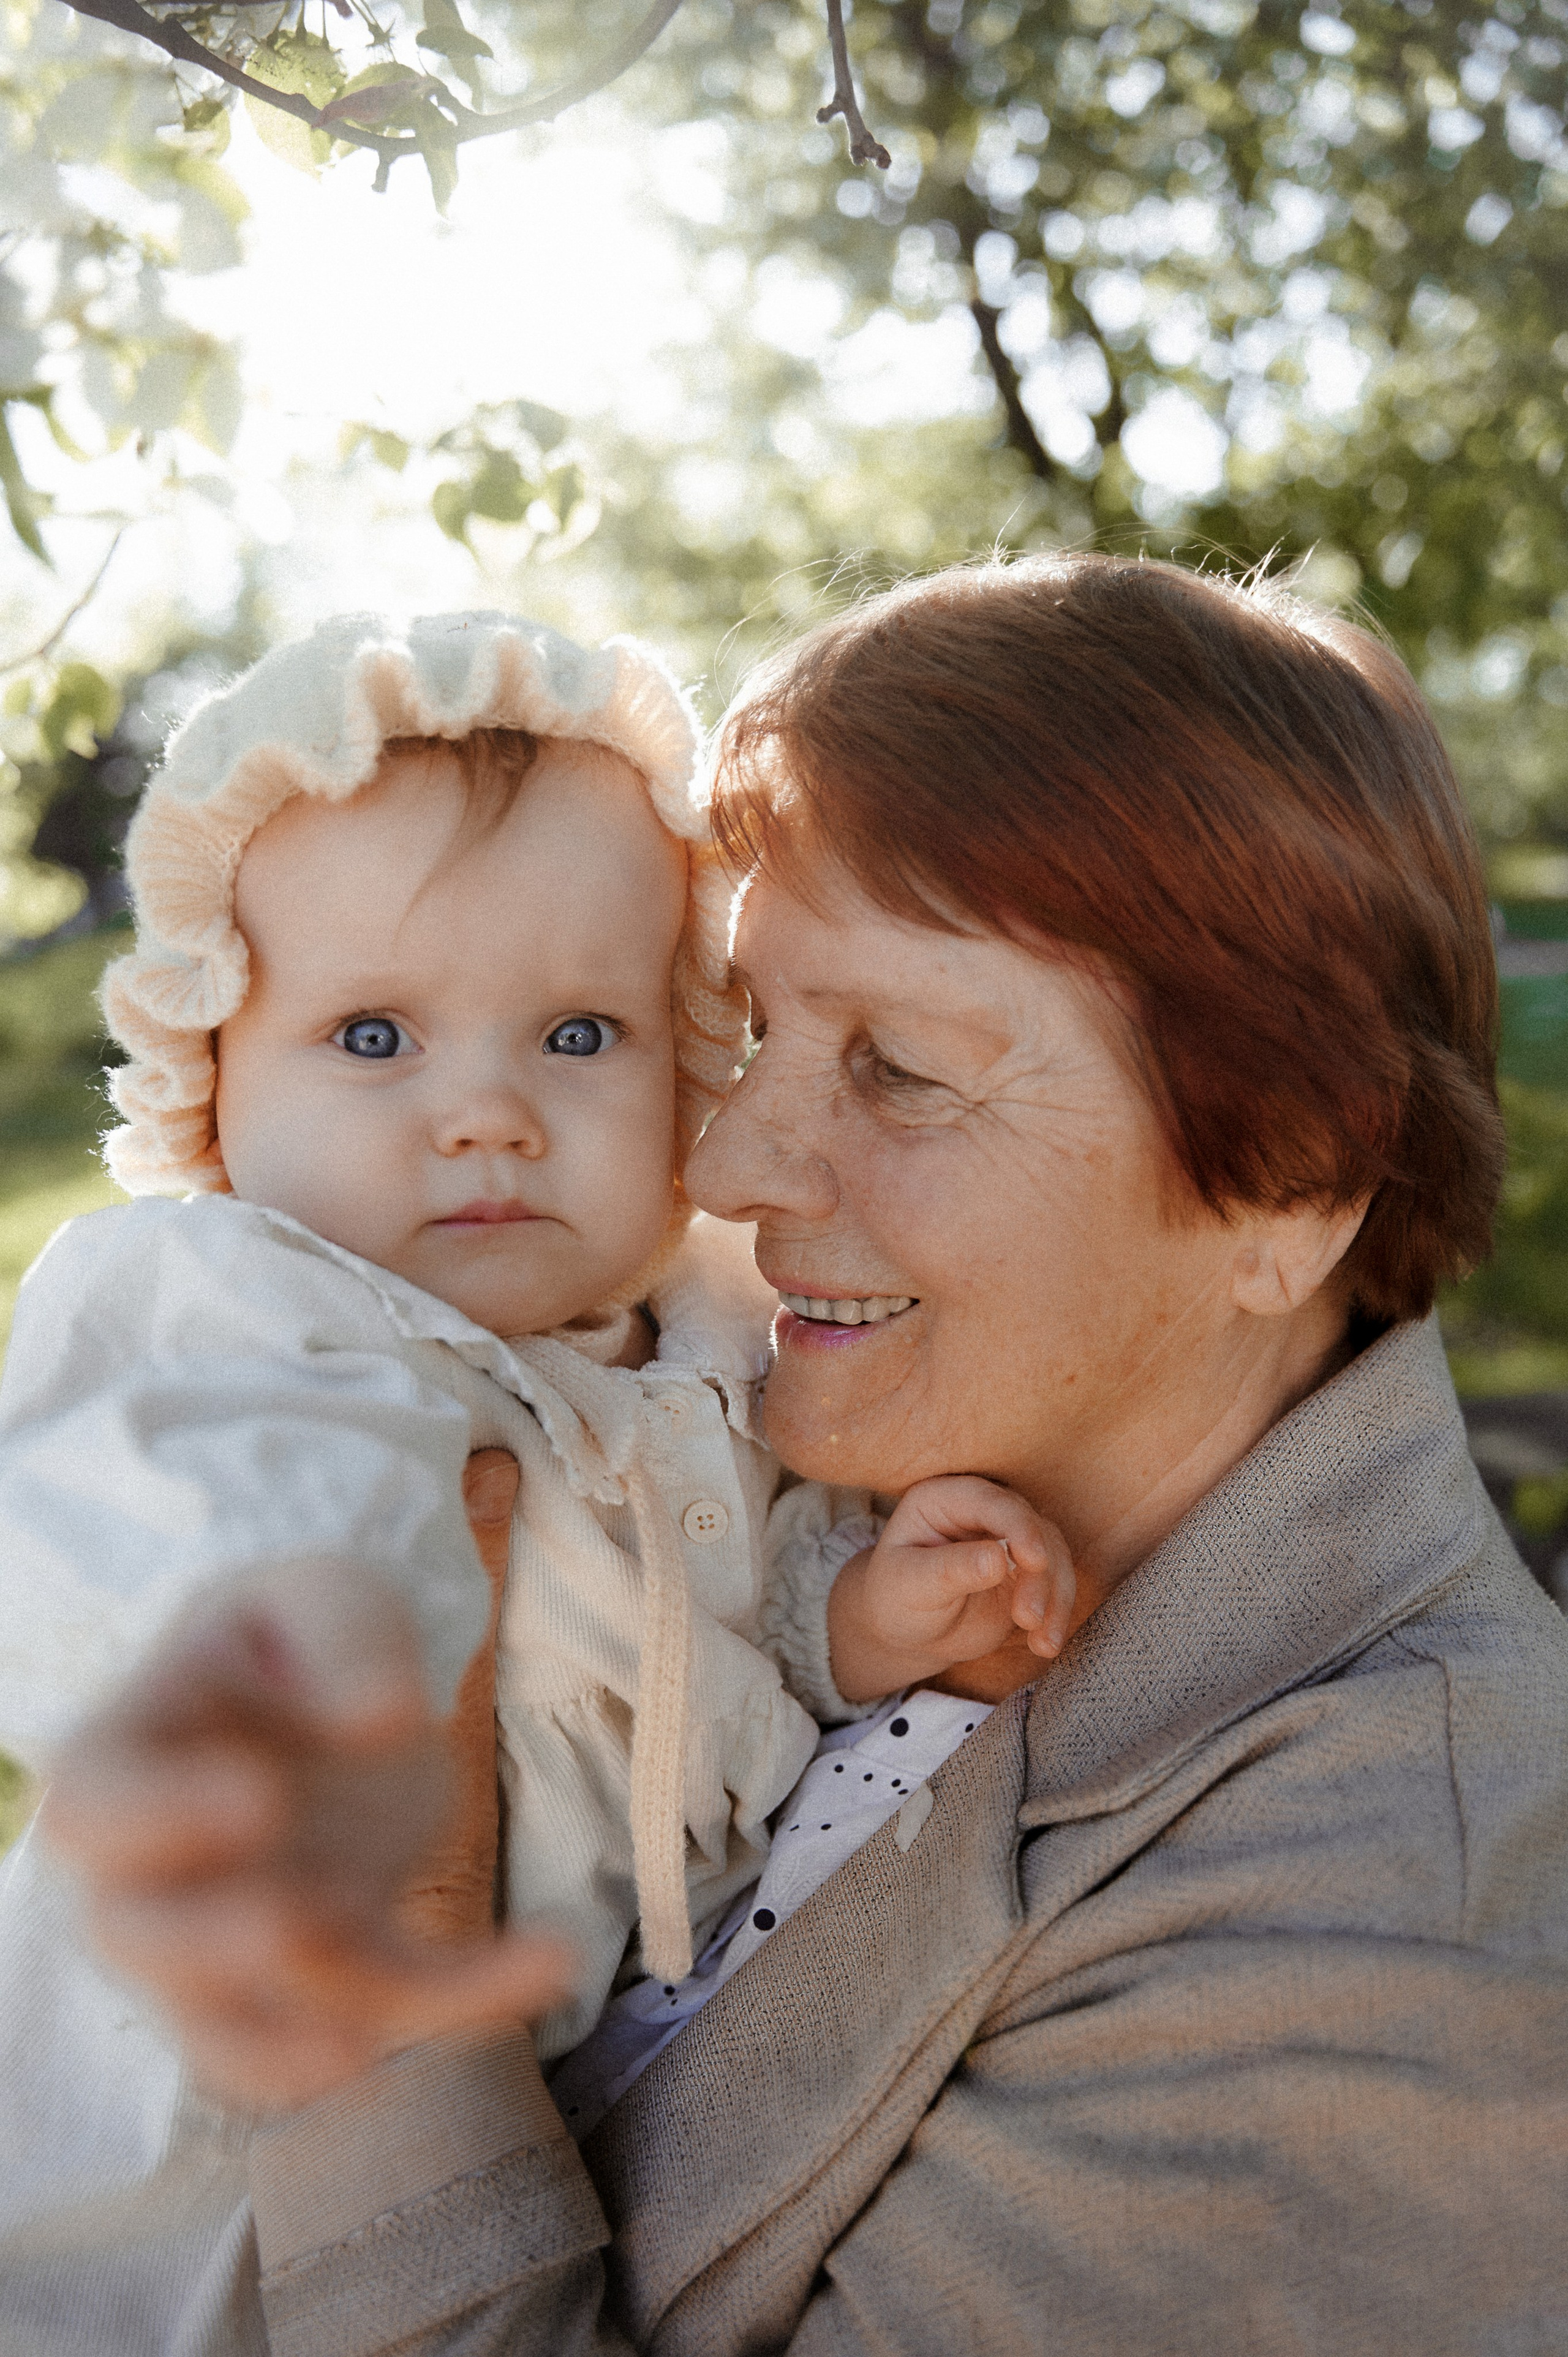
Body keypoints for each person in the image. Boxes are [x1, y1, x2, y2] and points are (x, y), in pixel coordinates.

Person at [37, 556, 1568, 2353]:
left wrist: (395, 1978)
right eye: (756, 1028)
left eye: (900, 1067)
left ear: (1292, 1178)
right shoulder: (772, 1440)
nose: (727, 1162)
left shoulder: (1391, 1932)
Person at [0, 609, 1067, 2355]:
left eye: (578, 1036)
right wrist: (294, 1641)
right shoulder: (244, 1316)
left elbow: (741, 1645)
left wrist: (865, 1620)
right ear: (210, 1082)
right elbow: (141, 1516)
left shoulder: (713, 1350)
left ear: (687, 1059)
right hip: (171, 2159)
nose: (487, 1112)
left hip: (521, 2139)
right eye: (373, 1038)